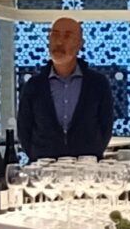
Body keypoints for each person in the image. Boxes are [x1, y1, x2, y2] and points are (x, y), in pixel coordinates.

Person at [15, 14, 115, 160]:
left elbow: (106, 126)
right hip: (45, 168)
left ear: (80, 43)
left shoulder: (97, 84)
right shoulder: (34, 86)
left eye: (67, 36)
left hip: (86, 167)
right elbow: (24, 129)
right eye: (55, 35)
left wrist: (92, 153)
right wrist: (38, 156)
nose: (59, 42)